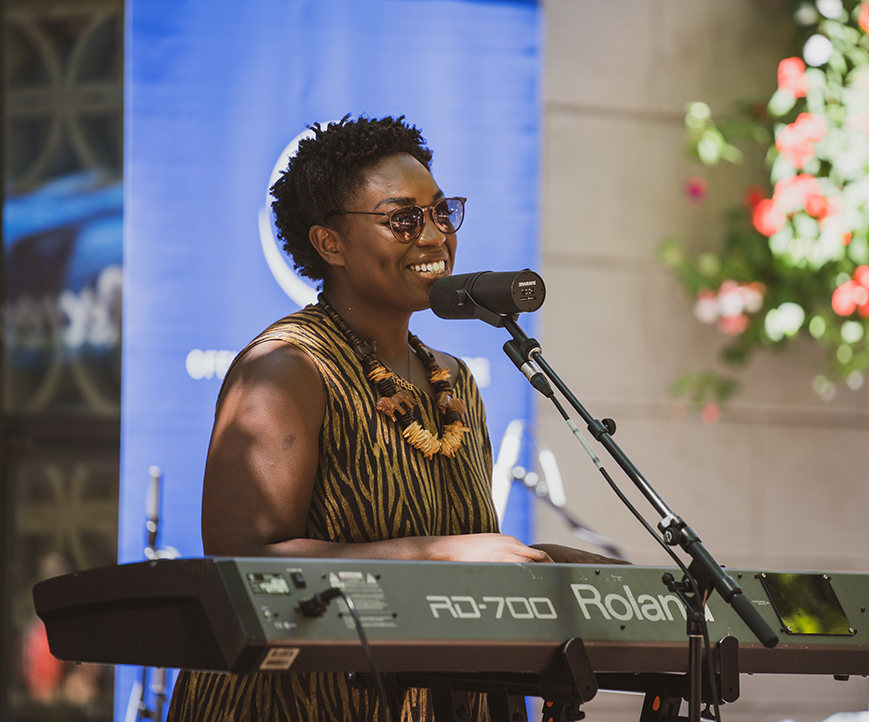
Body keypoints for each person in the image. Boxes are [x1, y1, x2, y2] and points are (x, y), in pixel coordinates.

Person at [167, 115, 623, 722]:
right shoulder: (285, 368)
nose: (434, 235)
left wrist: (546, 566)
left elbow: (461, 558)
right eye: (403, 218)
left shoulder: (454, 381)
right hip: (299, 702)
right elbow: (243, 562)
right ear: (331, 243)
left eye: (442, 212)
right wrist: (439, 556)